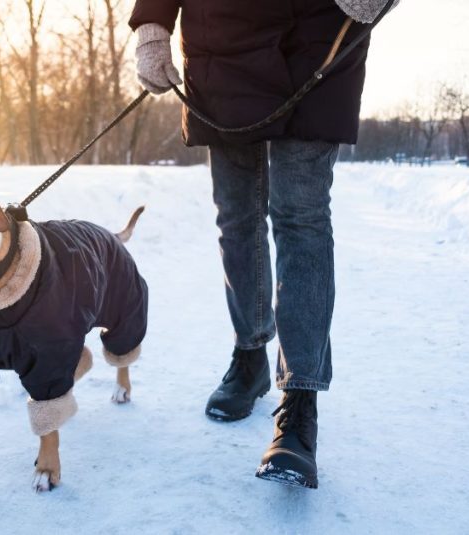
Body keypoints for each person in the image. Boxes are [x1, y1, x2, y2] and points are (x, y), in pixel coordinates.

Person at [129, 0, 396, 489]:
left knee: (301, 216)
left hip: (318, 31)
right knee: (236, 214)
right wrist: (153, 27)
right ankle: (250, 352)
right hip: (221, 36)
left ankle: (299, 403)